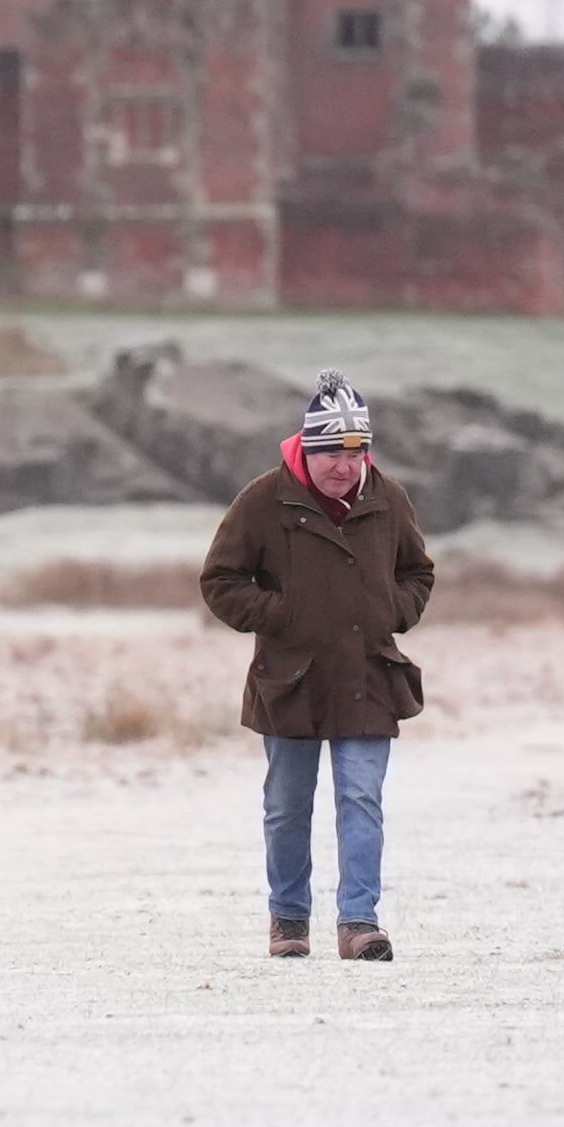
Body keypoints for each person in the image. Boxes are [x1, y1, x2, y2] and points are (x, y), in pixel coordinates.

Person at [200, 370, 434, 960]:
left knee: (361, 800)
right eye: (331, 451)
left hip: (369, 675)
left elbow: (419, 573)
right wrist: (283, 614)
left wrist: (392, 610)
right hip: (290, 682)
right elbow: (220, 581)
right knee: (286, 809)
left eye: (354, 451)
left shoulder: (389, 498)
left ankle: (359, 923)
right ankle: (288, 920)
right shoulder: (263, 499)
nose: (343, 465)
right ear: (307, 446)